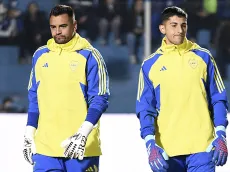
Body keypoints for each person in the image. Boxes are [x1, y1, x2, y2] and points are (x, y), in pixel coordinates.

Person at [136, 6, 228, 172]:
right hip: (167, 151)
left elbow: (218, 98)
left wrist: (221, 133)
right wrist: (150, 143)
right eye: (174, 25)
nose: (180, 30)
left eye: (183, 25)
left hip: (202, 148)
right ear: (162, 28)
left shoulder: (203, 57)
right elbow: (145, 108)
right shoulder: (149, 65)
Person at [22, 5, 109, 172]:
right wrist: (28, 134)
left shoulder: (90, 55)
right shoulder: (40, 56)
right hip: (45, 150)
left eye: (63, 26)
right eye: (53, 27)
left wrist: (83, 134)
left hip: (81, 148)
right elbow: (35, 99)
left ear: (74, 26)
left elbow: (99, 98)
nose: (57, 32)